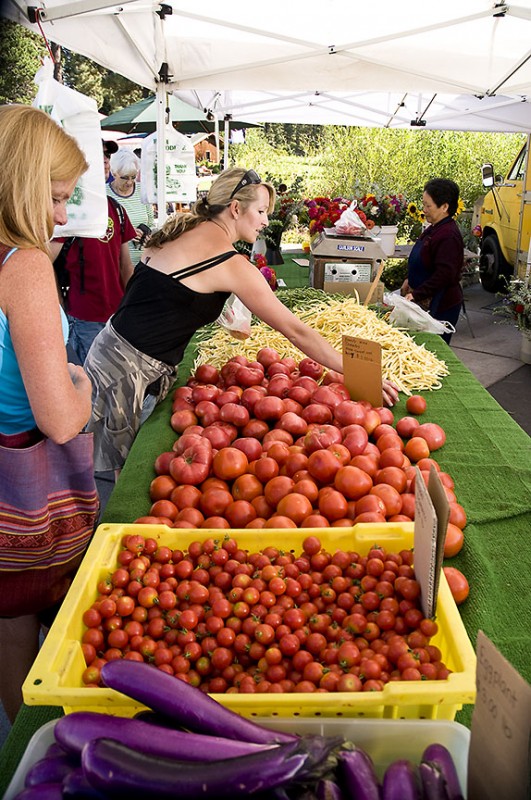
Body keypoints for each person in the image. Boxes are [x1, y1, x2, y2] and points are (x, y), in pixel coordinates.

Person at [84, 167, 399, 473]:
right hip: (123, 374)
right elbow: (295, 330)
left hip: (112, 353)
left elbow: (155, 295)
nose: (266, 221)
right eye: (261, 211)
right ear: (235, 208)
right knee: (113, 477)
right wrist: (359, 371)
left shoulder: (180, 229)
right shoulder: (229, 263)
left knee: (107, 463)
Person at [0, 105, 95, 722]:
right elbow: (62, 419)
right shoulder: (25, 265)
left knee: (9, 620)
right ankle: (38, 740)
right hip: (23, 479)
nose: (63, 216)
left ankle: (18, 734)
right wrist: (83, 382)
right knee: (35, 614)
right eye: (57, 197)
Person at [50, 141, 137, 365]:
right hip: (84, 318)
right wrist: (60, 309)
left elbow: (125, 265)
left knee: (115, 380)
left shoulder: (116, 208)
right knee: (91, 385)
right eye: (98, 156)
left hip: (117, 316)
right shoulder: (69, 210)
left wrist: (134, 305)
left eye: (107, 156)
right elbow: (44, 262)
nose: (106, 160)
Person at [402, 178, 464, 343]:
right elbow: (424, 262)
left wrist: (416, 294)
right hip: (422, 298)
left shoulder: (448, 235)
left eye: (428, 206)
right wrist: (410, 280)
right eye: (423, 205)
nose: (424, 210)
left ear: (444, 207)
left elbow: (445, 274)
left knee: (433, 351)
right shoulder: (435, 228)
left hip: (440, 305)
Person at [108, 148, 154, 266]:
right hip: (117, 263)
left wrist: (147, 235)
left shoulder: (142, 191)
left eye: (133, 177)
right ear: (114, 173)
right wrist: (127, 233)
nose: (129, 182)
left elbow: (151, 224)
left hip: (143, 262)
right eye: (124, 177)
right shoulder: (104, 194)